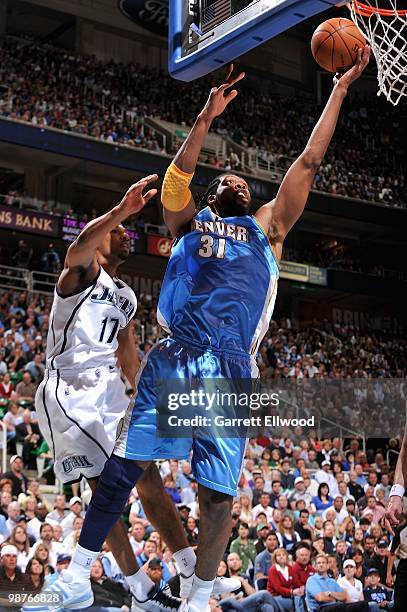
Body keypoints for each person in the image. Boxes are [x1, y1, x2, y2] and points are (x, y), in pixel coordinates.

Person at [43, 47, 371, 612]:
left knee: (218, 498)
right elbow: (176, 179)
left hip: (230, 368)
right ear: (215, 194)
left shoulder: (269, 227)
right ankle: (77, 572)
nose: (239, 182)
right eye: (230, 178)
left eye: (246, 182)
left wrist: (340, 88)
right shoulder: (188, 222)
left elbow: (310, 162)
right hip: (176, 355)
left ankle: (197, 599)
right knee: (127, 468)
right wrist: (205, 117)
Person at [267, 547, 306, 612]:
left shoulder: (289, 568)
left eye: (283, 555)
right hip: (275, 597)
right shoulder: (273, 570)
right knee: (298, 597)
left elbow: (296, 582)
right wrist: (292, 592)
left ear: (286, 557)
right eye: (279, 555)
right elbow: (278, 588)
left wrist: (301, 588)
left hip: (288, 595)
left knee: (301, 596)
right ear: (275, 558)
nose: (281, 557)